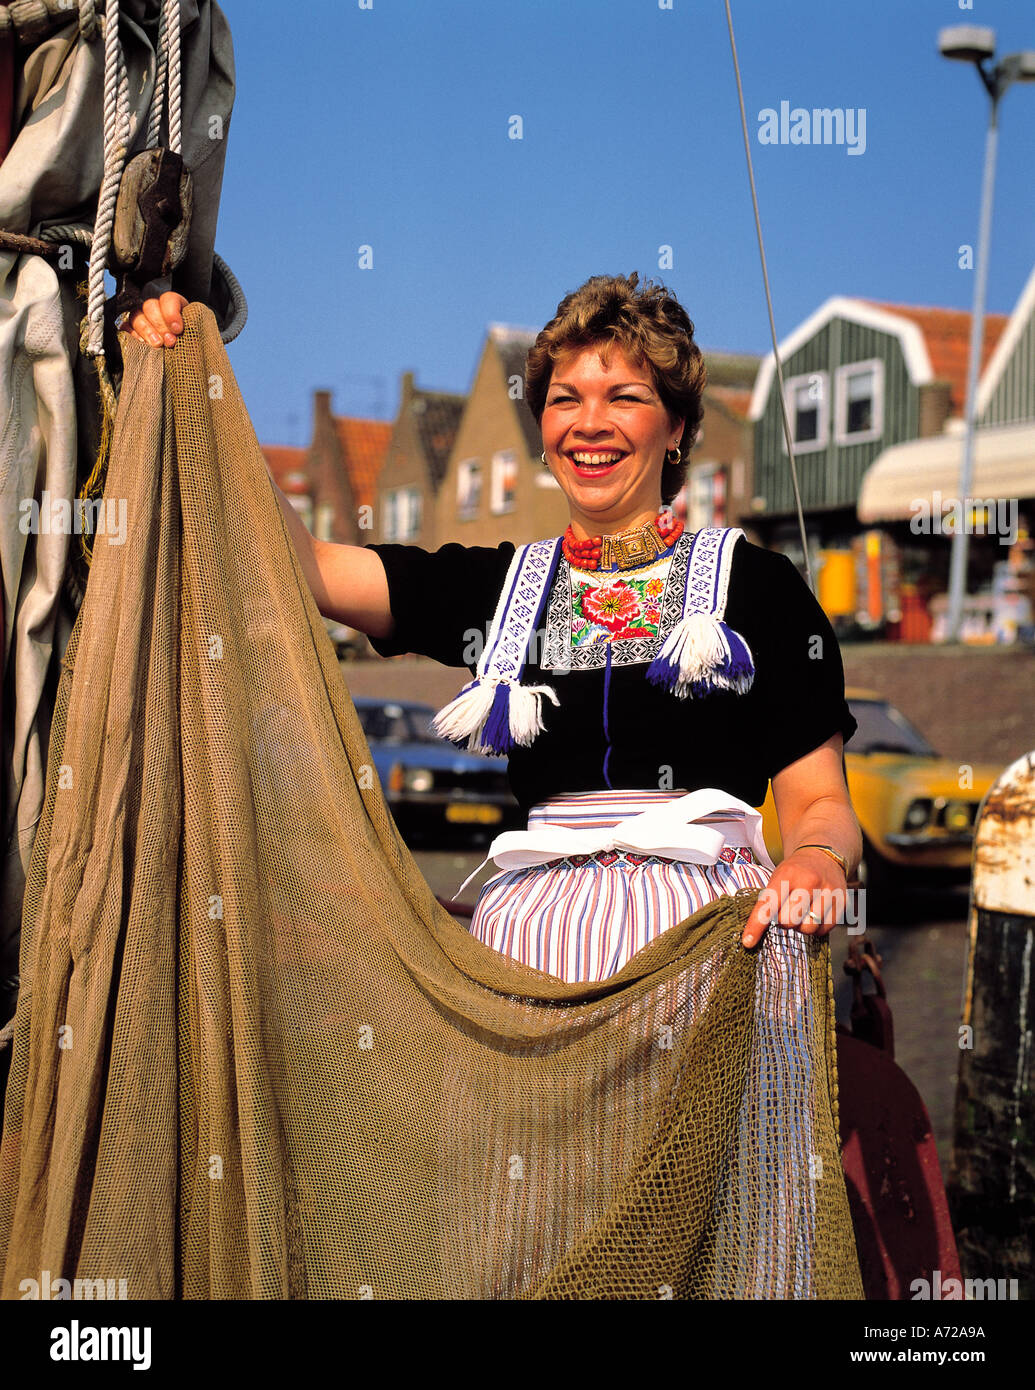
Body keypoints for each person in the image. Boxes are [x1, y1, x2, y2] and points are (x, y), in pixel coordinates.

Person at [124, 274, 862, 975]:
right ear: (541, 430)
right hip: (533, 952)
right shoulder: (499, 586)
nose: (589, 424)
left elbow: (820, 804)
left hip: (709, 945)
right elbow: (308, 567)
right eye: (564, 399)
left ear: (675, 429)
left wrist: (815, 862)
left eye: (624, 397)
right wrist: (197, 377)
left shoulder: (760, 588)